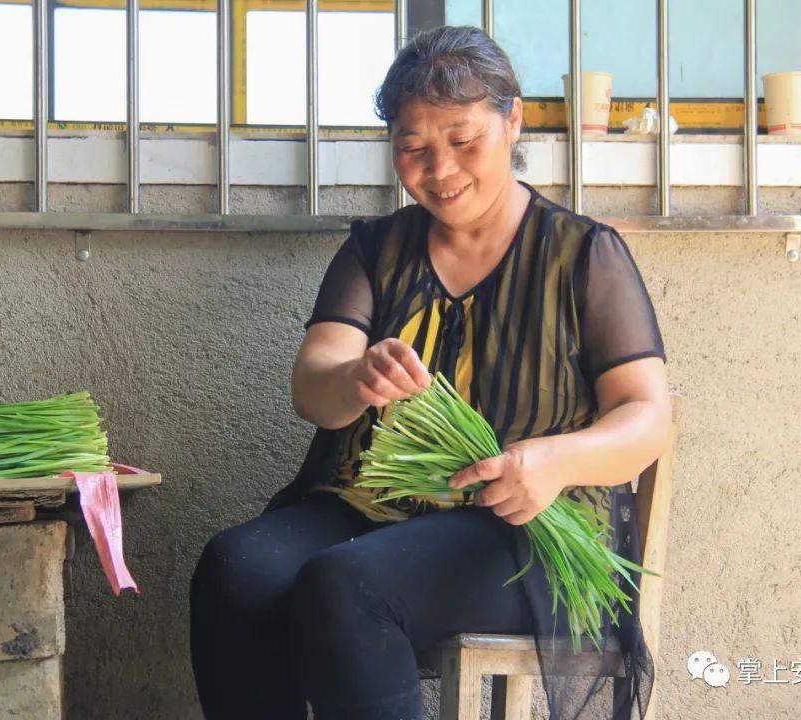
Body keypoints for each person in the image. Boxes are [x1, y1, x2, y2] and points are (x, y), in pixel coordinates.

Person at [190, 25, 671, 720]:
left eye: (462, 141)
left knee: (347, 585)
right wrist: (356, 376)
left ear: (513, 121)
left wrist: (555, 461)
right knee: (235, 570)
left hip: (521, 523)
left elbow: (644, 414)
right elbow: (314, 387)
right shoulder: (376, 251)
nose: (439, 170)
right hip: (372, 507)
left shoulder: (582, 256)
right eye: (413, 148)